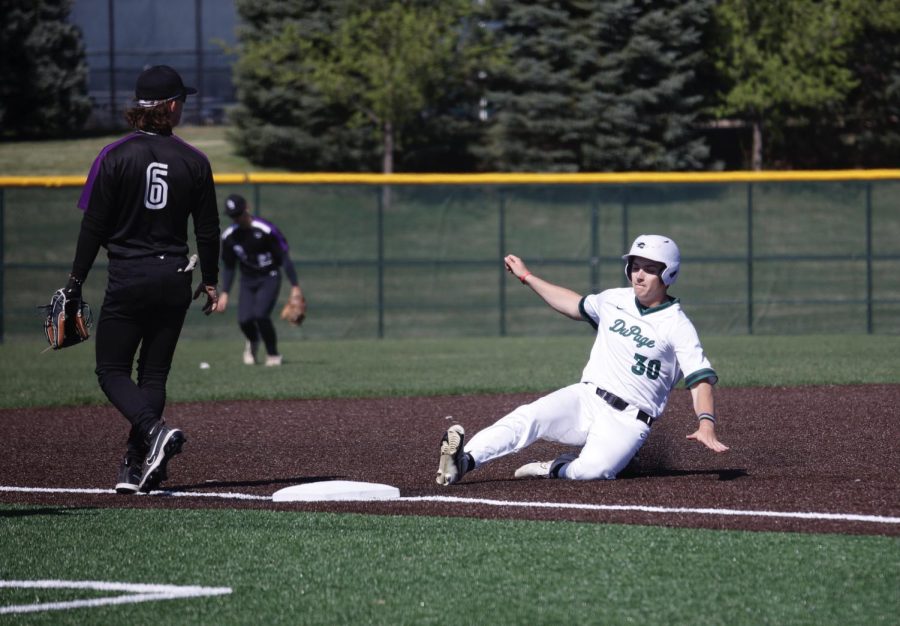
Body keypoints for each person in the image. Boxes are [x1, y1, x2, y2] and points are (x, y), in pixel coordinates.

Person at [436, 234, 729, 485]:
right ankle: (463, 462)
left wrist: (706, 422)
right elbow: (574, 305)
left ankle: (555, 467)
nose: (639, 275)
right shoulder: (614, 299)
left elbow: (700, 379)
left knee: (592, 472)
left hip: (629, 419)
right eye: (635, 266)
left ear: (668, 274)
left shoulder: (677, 325)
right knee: (528, 417)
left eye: (650, 269)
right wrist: (527, 277)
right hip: (587, 396)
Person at [64, 65, 220, 495]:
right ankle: (136, 466)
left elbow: (93, 227)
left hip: (130, 275)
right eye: (181, 101)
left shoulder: (113, 156)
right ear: (169, 107)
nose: (182, 107)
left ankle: (152, 433)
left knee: (111, 370)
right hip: (172, 277)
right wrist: (210, 281)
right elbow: (207, 229)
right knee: (152, 375)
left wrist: (75, 282)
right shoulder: (195, 160)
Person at [216, 194, 304, 366]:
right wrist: (225, 292)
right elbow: (229, 266)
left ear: (246, 209)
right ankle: (253, 341)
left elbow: (284, 257)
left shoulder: (265, 229)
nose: (236, 218)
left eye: (238, 213)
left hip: (269, 277)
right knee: (244, 320)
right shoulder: (229, 237)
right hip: (248, 280)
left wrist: (295, 285)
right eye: (232, 215)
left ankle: (273, 354)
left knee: (260, 315)